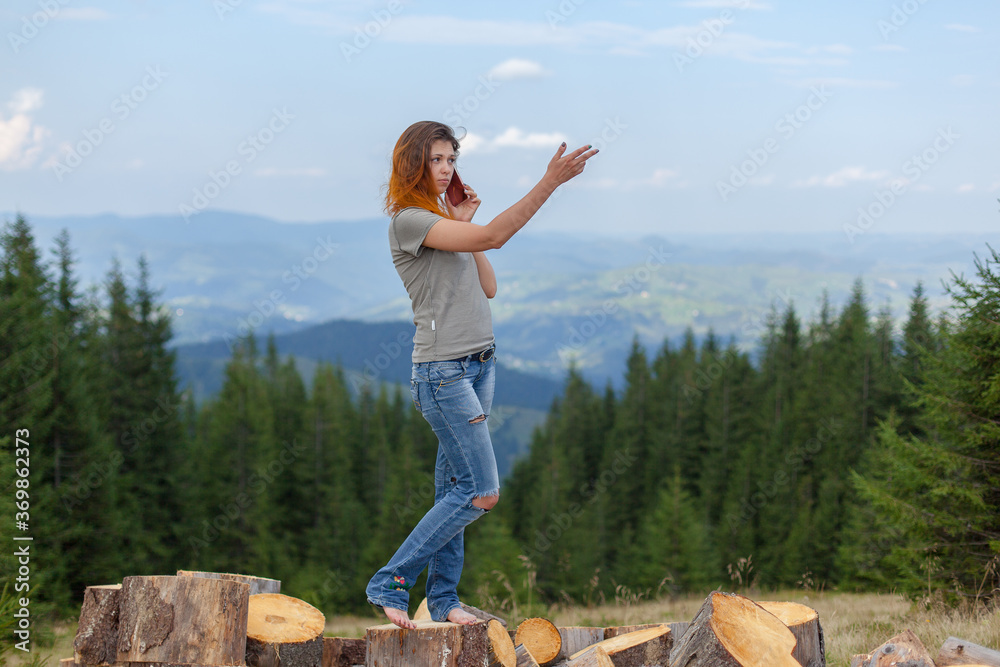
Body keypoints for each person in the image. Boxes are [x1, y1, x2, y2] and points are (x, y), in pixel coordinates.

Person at [365, 120, 599, 628]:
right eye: (436, 160)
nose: (447, 168)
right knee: (481, 492)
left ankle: (444, 600)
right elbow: (496, 234)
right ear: (413, 166)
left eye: (451, 159)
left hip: (478, 367)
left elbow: (486, 283)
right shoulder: (408, 221)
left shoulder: (442, 223)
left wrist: (461, 221)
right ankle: (391, 580)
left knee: (454, 488)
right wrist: (550, 182)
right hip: (443, 373)